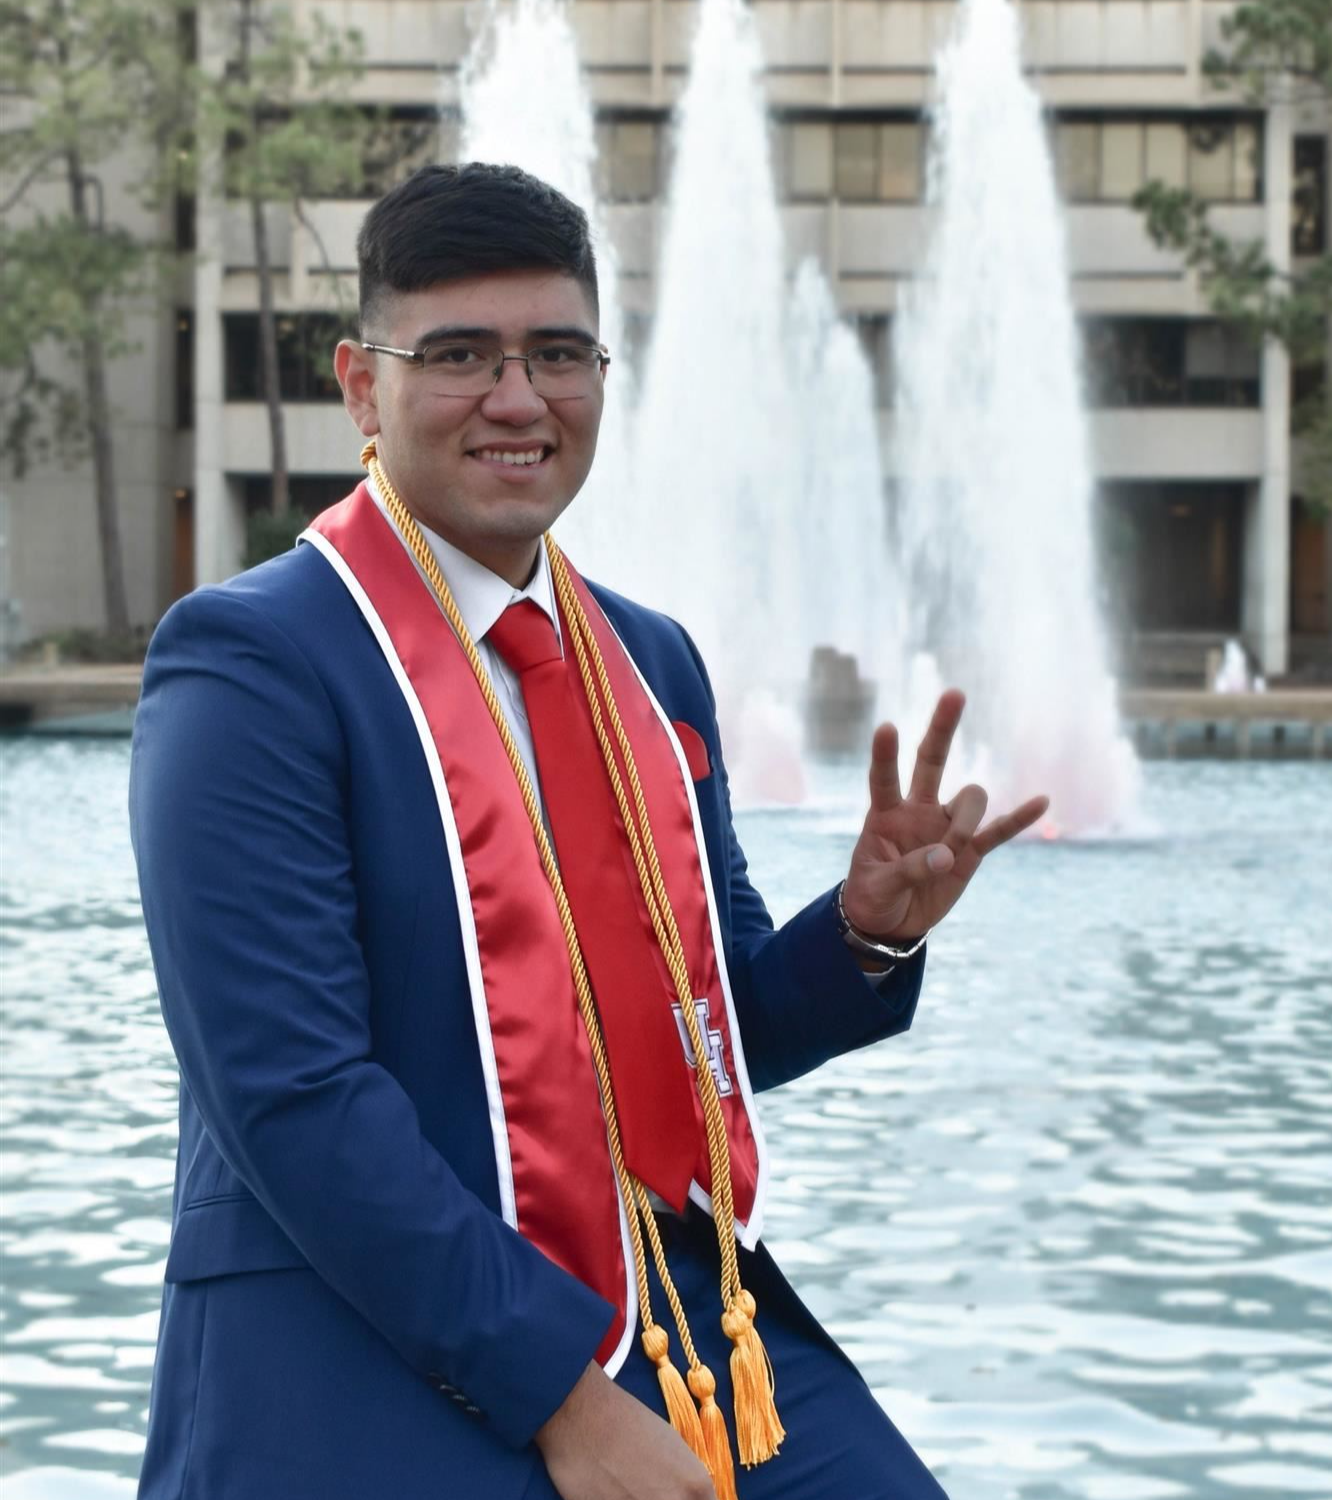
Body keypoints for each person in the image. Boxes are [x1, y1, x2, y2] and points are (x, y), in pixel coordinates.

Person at [130, 161, 1046, 1500]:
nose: (518, 397)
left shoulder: (649, 662)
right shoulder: (254, 665)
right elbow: (291, 1097)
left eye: (557, 352)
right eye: (461, 355)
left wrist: (861, 937)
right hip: (368, 1330)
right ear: (361, 386)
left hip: (684, 1312)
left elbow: (707, 1029)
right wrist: (565, 1403)